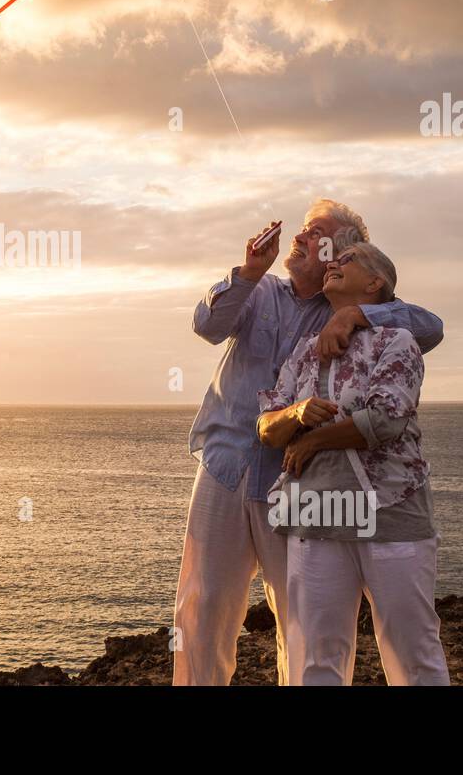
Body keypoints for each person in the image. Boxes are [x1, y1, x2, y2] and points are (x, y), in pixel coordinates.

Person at [173, 200, 443, 686]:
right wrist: (249, 271)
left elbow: (431, 327)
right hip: (226, 467)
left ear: (338, 255)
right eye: (302, 228)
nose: (298, 237)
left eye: (314, 232)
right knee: (202, 607)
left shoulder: (348, 308)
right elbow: (207, 325)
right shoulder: (259, 292)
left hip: (297, 480)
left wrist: (357, 313)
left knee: (301, 622)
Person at [256, 242, 449, 685]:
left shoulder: (398, 340)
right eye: (333, 261)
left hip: (388, 509)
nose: (333, 265)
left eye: (348, 260)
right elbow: (267, 428)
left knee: (411, 650)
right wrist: (297, 414)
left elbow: (386, 418)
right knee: (316, 655)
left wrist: (313, 441)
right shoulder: (304, 351)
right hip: (315, 512)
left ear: (375, 281)